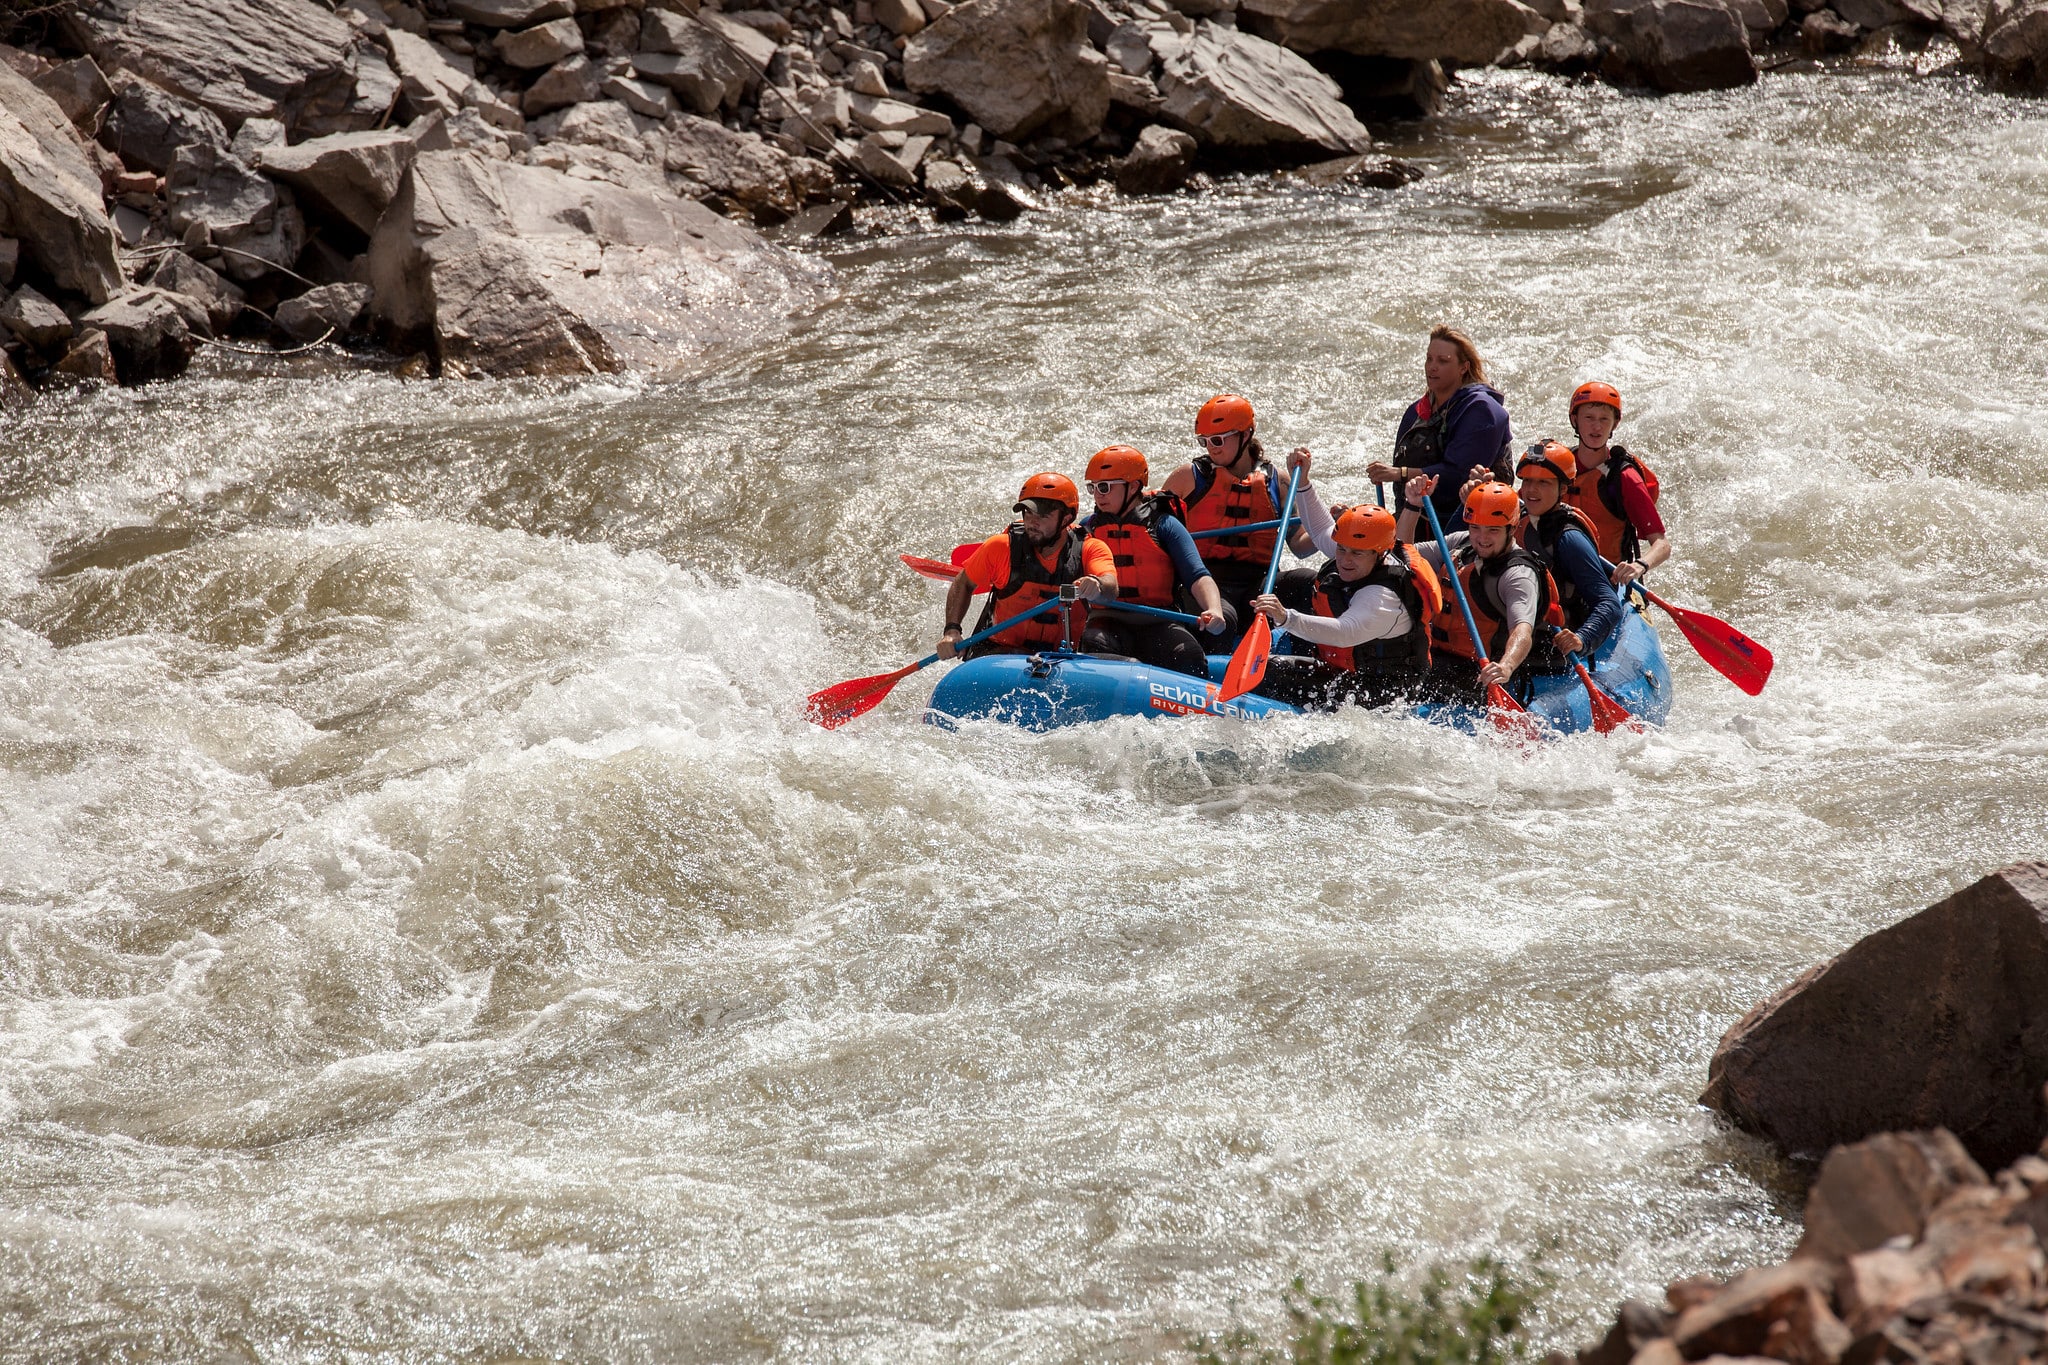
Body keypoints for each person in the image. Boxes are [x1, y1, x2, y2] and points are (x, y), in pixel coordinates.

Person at [1247, 450, 1443, 710]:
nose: (1345, 559)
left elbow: (1344, 633)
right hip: (1348, 673)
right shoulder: (1359, 551)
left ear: (1380, 554)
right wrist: (1304, 482)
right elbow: (1319, 530)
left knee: (1269, 674)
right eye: (1342, 549)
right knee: (1267, 666)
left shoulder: (1383, 597)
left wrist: (1286, 618)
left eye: (1356, 553)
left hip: (1382, 694)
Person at [1159, 394, 1317, 643]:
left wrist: (1332, 528)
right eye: (1205, 441)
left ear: (1245, 435)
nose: (1212, 447)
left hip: (1259, 584)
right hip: (1204, 583)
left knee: (1310, 582)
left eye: (1219, 439)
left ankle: (1315, 662)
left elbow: (1300, 546)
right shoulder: (1187, 478)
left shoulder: (1280, 481)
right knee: (1224, 620)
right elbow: (1154, 529)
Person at [1398, 475, 1565, 701]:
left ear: (1512, 527)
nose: (1481, 538)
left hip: (1477, 674)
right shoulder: (1462, 543)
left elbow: (1522, 631)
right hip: (1434, 659)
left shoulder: (1518, 575)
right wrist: (1412, 506)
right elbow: (1403, 555)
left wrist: (1505, 667)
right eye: (1476, 527)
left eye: (1493, 530)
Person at [1077, 445, 1231, 678]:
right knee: (1095, 645)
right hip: (1106, 620)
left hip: (1159, 620)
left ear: (1134, 486)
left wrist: (1214, 609)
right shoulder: (1088, 528)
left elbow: (1198, 575)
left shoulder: (1164, 524)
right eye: (1093, 487)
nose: (1098, 494)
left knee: (1187, 655)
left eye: (1105, 487)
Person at [938, 473, 1116, 660]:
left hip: (1061, 658)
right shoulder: (1000, 547)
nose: (1032, 522)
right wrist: (951, 631)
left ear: (1066, 518)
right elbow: (963, 583)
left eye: (1043, 515)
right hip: (1000, 652)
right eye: (1028, 513)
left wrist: (1097, 584)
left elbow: (1110, 585)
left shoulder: (1090, 548)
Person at [1369, 326, 1515, 534]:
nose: (1432, 367)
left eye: (1443, 361)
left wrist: (1399, 474)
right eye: (1429, 359)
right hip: (1418, 515)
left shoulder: (1483, 410)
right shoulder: (1415, 412)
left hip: (1469, 522)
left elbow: (1457, 474)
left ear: (1463, 367)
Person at [1513, 440, 1624, 660]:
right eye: (1528, 481)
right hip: (1515, 630)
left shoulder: (1569, 539)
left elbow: (1609, 604)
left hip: (1549, 645)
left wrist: (1582, 639)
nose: (1532, 490)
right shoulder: (1515, 516)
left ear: (1563, 489)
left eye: (1543, 483)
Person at [1564, 381, 1669, 586]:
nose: (1597, 427)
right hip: (1558, 569)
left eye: (1604, 419)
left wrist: (1640, 565)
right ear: (1574, 420)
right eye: (1589, 418)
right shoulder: (1557, 466)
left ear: (1614, 424)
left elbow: (1662, 544)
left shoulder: (1625, 478)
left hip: (1606, 576)